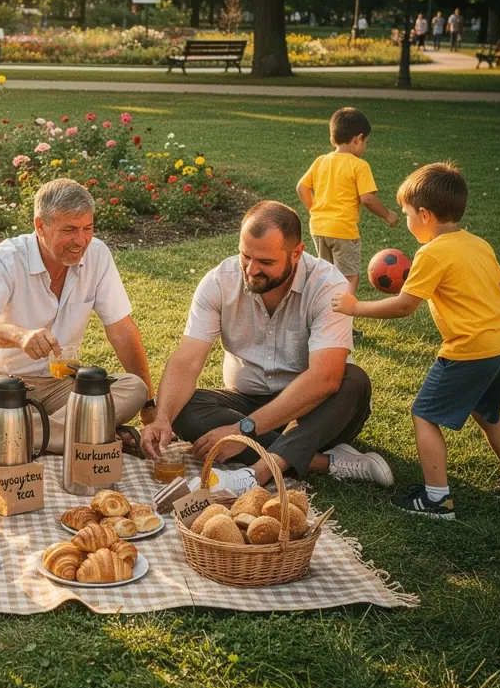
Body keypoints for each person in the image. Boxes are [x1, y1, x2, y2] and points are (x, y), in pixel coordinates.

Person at [141, 201, 393, 494]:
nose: (251, 269)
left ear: (297, 253)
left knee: (352, 380)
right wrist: (163, 417)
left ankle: (256, 474)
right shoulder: (219, 282)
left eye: (266, 262)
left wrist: (242, 431)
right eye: (245, 256)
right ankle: (320, 462)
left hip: (312, 411)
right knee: (186, 408)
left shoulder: (327, 286)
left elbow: (325, 378)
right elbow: (187, 360)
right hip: (247, 400)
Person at [332, 163, 500, 518]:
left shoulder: (432, 252)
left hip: (470, 349)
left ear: (424, 215)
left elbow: (404, 306)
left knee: (424, 414)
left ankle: (437, 498)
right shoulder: (478, 244)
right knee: (488, 412)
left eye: (407, 213)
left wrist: (355, 307)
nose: (407, 219)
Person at [0, 178, 154, 460]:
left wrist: (150, 403)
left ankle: (3, 435)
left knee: (133, 389)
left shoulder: (98, 255)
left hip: (62, 385)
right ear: (40, 226)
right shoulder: (5, 259)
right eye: (69, 229)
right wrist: (19, 336)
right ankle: (91, 432)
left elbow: (122, 329)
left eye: (88, 228)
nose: (81, 240)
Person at [296, 107, 399, 300]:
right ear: (358, 139)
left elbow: (302, 187)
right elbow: (367, 199)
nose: (364, 147)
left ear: (333, 139)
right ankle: (344, 322)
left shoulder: (321, 161)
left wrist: (315, 211)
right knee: (349, 278)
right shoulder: (359, 165)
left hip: (319, 228)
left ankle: (325, 315)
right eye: (365, 142)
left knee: (326, 275)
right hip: (343, 230)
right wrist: (388, 215)